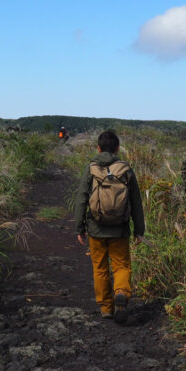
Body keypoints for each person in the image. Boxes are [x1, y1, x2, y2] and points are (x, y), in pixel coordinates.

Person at [75, 130, 145, 324]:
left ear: (98, 148)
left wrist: (79, 228)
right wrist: (139, 230)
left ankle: (106, 308)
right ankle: (121, 291)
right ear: (117, 148)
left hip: (96, 228)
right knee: (121, 265)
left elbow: (81, 199)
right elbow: (136, 201)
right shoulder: (125, 169)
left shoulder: (90, 168)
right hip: (120, 229)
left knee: (100, 268)